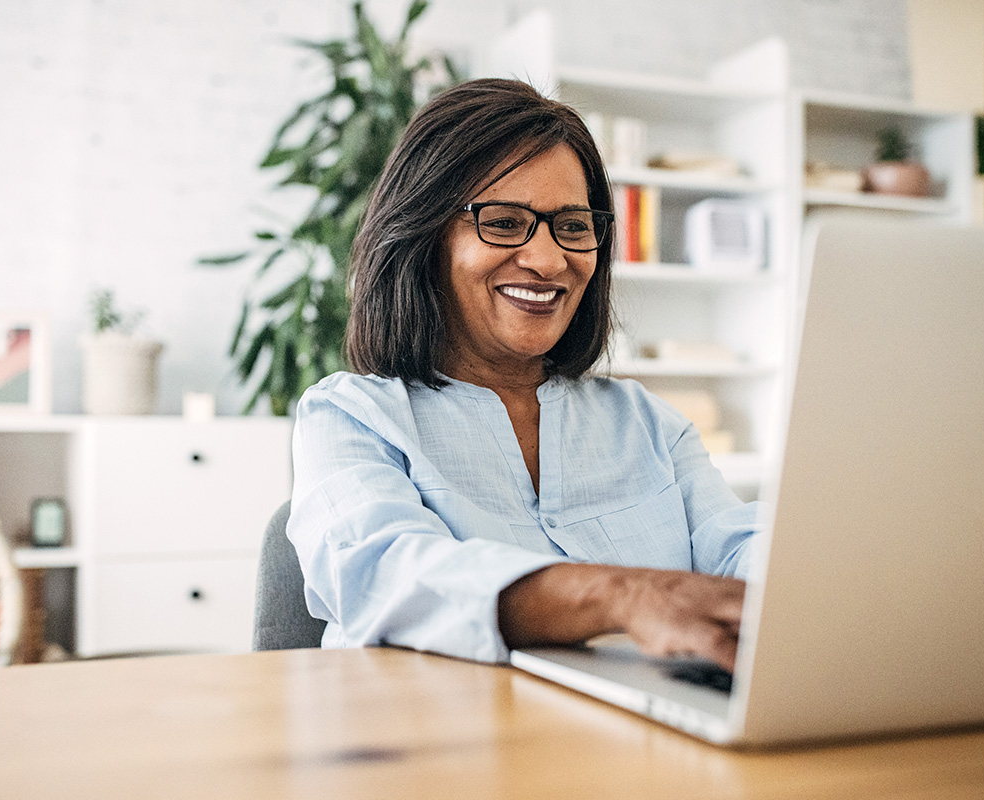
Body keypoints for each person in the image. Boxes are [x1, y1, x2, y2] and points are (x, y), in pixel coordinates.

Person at [287, 78, 761, 671]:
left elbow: (739, 547)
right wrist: (624, 596)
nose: (548, 260)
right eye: (505, 222)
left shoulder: (650, 425)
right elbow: (382, 576)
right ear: (423, 236)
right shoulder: (351, 416)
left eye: (573, 226)